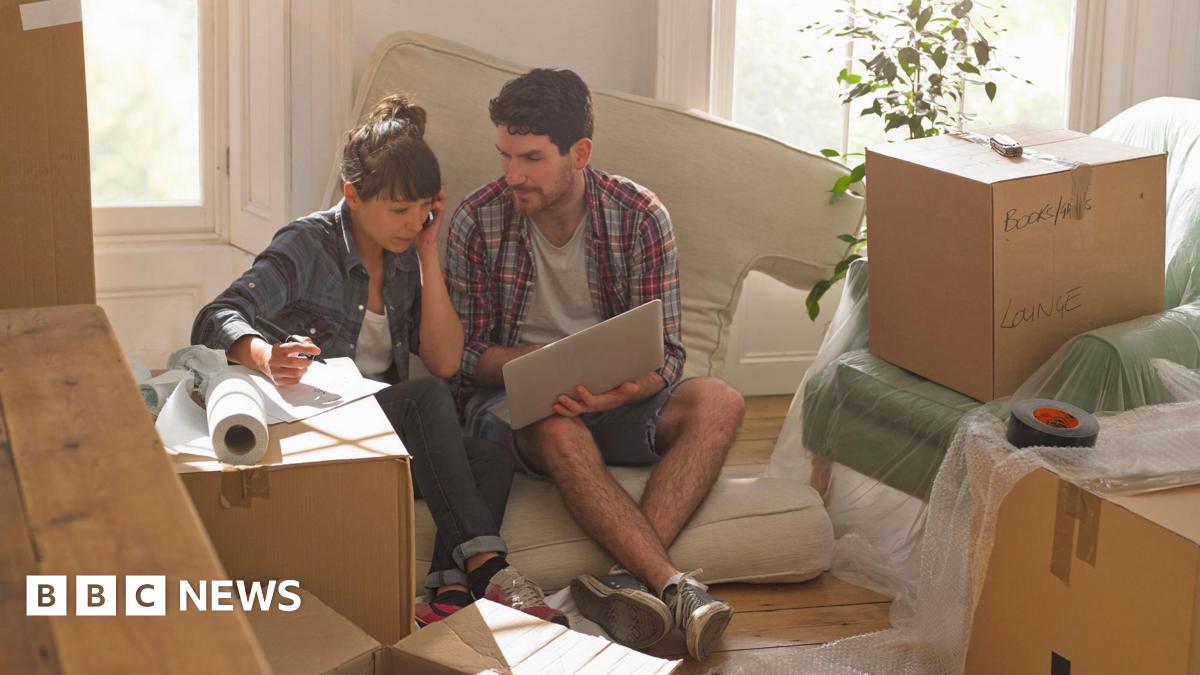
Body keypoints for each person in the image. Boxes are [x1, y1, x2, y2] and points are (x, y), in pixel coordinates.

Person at [191, 95, 565, 628]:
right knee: (427, 398)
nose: (413, 222)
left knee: (490, 457)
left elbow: (443, 358)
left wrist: (430, 252)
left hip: (371, 437)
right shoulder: (307, 244)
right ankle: (489, 568)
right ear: (353, 195)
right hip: (310, 435)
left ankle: (447, 596)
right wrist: (265, 356)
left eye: (423, 208)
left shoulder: (407, 256)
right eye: (399, 210)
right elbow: (216, 314)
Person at [445, 69, 745, 661]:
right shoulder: (476, 219)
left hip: (616, 400)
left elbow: (672, 356)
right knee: (559, 426)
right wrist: (537, 363)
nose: (513, 175)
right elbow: (463, 360)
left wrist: (630, 387)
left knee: (721, 400)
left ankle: (623, 586)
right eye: (504, 155)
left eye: (531, 158)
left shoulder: (639, 215)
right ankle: (673, 587)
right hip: (519, 410)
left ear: (579, 153)